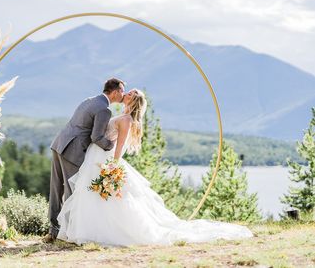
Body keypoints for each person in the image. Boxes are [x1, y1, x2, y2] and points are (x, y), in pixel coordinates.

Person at [57, 89, 254, 246]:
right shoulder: (123, 116)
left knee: (102, 198)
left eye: (131, 93)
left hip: (104, 161)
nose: (126, 94)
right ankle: (89, 229)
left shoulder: (126, 120)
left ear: (133, 101)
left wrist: (112, 167)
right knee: (91, 196)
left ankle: (101, 232)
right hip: (96, 159)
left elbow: (120, 146)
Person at [44, 78, 125, 242]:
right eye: (122, 91)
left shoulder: (89, 100)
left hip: (59, 144)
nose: (123, 95)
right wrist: (111, 145)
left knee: (56, 189)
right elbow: (96, 137)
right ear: (115, 92)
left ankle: (53, 230)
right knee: (72, 190)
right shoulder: (104, 109)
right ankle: (68, 232)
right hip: (73, 151)